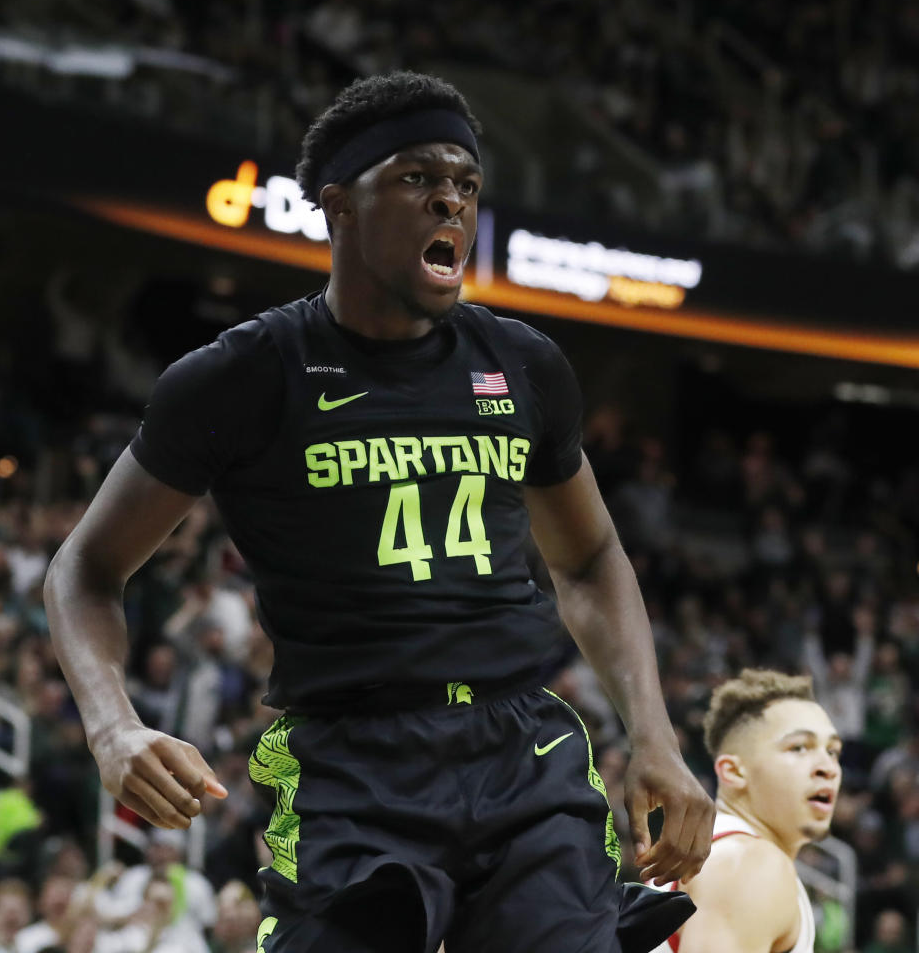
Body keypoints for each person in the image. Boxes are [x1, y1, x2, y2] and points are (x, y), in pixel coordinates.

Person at [44, 70, 714, 953]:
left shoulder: (522, 365)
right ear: (339, 208)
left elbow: (588, 561)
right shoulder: (242, 376)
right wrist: (111, 725)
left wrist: (654, 737)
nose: (450, 201)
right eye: (416, 178)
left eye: (466, 185)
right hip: (352, 766)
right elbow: (85, 569)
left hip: (522, 751)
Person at [652, 668, 842, 953]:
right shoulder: (749, 863)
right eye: (800, 747)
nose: (827, 768)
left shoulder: (723, 852)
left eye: (833, 751)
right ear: (733, 771)